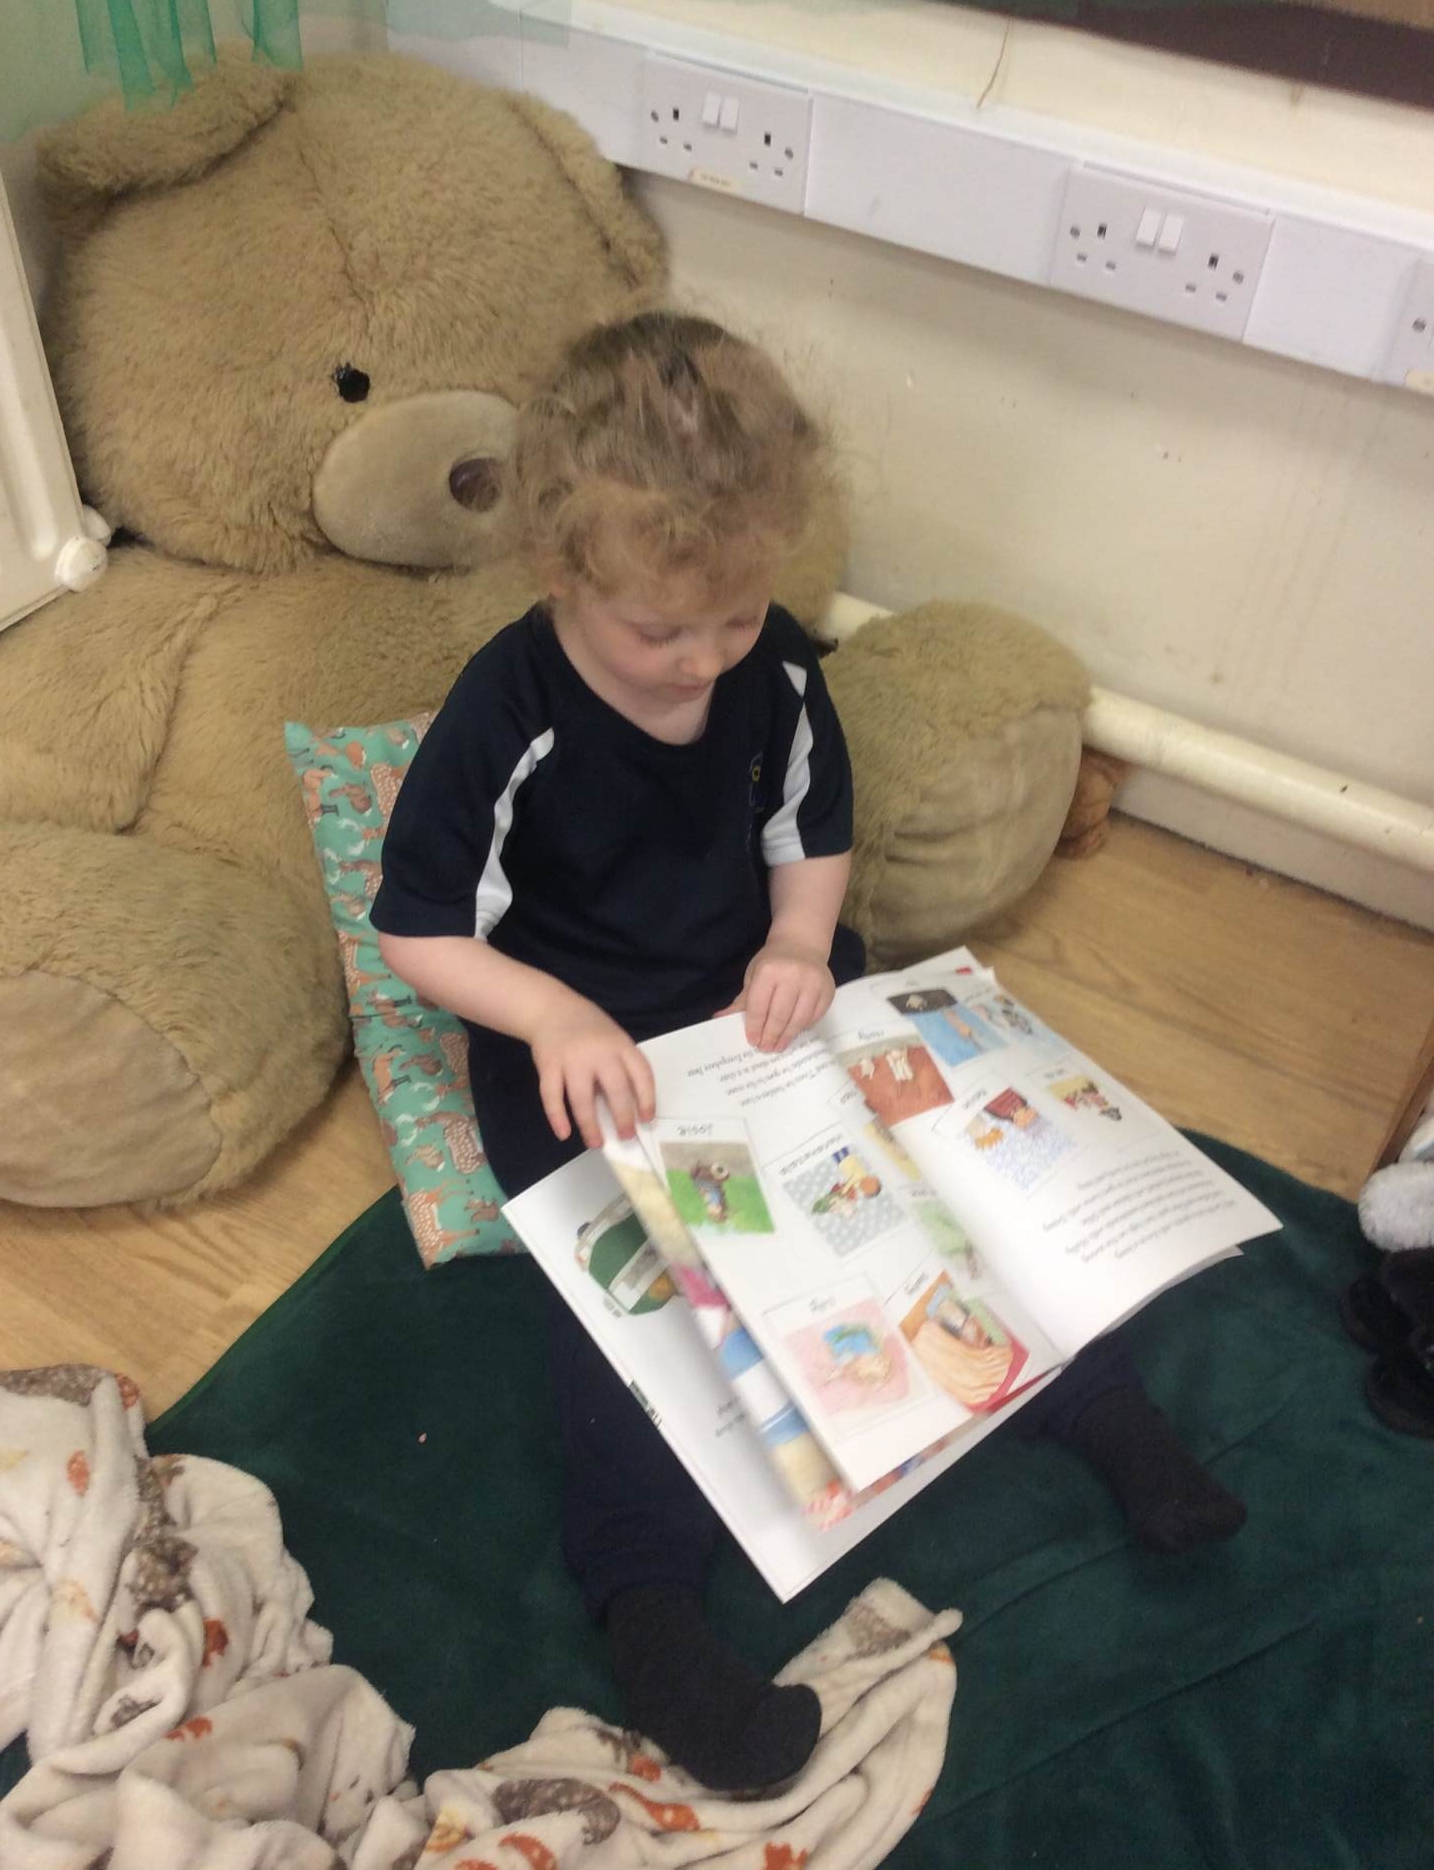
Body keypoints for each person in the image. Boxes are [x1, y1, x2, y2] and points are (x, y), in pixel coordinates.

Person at [372, 311, 1244, 1794]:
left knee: (934, 1187)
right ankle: (648, 1606)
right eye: (661, 631)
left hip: (759, 1002)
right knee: (649, 1313)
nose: (704, 660)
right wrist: (554, 1016)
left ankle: (1101, 1410)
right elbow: (417, 929)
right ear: (559, 571)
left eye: (734, 615)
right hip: (580, 1049)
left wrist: (796, 943)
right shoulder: (504, 714)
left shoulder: (771, 666)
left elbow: (811, 832)